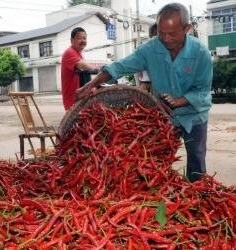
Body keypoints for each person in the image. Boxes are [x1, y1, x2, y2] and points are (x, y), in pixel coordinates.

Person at [76, 3, 212, 182]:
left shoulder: (201, 52)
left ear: (187, 28)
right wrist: (90, 84)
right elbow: (119, 66)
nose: (166, 39)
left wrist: (179, 101)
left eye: (172, 33)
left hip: (194, 116)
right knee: (158, 162)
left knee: (196, 161)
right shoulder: (150, 49)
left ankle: (197, 199)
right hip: (165, 115)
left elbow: (203, 91)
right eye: (161, 33)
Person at [61, 27, 98, 110]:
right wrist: (98, 70)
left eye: (84, 38)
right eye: (79, 38)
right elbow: (82, 65)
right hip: (73, 101)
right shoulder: (69, 52)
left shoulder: (79, 54)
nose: (83, 41)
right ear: (72, 40)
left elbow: (84, 74)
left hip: (79, 99)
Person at [135, 23, 158, 92]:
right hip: (145, 84)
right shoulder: (142, 49)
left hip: (146, 84)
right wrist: (138, 85)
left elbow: (136, 71)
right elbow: (136, 70)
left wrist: (138, 85)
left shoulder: (141, 48)